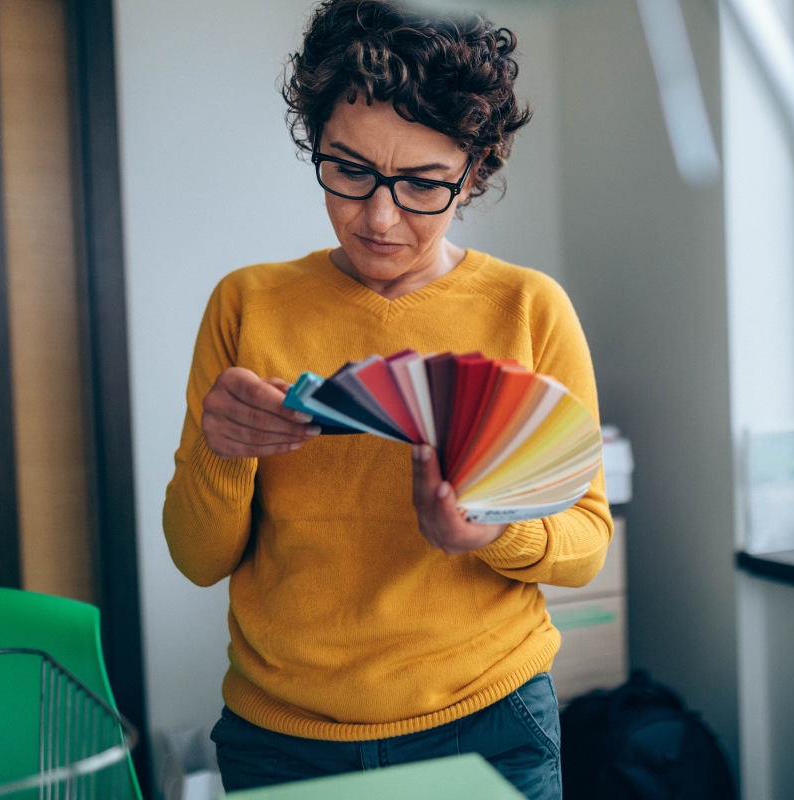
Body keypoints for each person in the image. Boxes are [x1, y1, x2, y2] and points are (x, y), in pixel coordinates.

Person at [161, 2, 611, 798]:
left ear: (473, 174)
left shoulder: (529, 308)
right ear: (315, 142)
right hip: (282, 737)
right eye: (349, 170)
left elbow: (586, 542)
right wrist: (222, 450)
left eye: (422, 184)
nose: (377, 215)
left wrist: (489, 533)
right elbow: (198, 559)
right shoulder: (247, 304)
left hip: (490, 719)